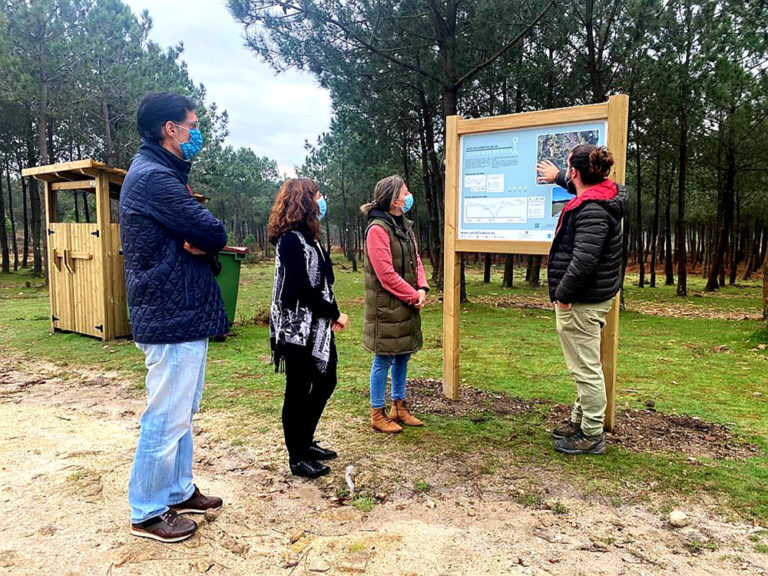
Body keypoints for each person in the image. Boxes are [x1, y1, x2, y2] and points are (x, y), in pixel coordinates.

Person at [120, 92, 227, 542]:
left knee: (182, 410)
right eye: (193, 125)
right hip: (169, 311)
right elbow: (212, 230)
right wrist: (204, 239)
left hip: (180, 310)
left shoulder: (162, 173)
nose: (196, 133)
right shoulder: (154, 178)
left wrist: (202, 242)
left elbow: (203, 236)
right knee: (166, 414)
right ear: (171, 129)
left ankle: (178, 489)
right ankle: (146, 509)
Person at [536, 145, 627, 455]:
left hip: (581, 301)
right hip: (592, 297)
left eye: (567, 169)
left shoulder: (590, 210)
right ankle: (580, 421)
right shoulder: (604, 197)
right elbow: (583, 190)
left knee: (586, 369)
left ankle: (591, 433)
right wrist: (559, 177)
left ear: (576, 172)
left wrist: (563, 296)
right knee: (583, 366)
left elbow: (584, 261)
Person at [268, 178, 350, 479]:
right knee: (297, 390)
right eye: (318, 195)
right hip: (295, 329)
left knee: (327, 380)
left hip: (316, 326)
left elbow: (323, 279)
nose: (322, 199)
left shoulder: (310, 237)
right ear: (304, 201)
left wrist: (329, 312)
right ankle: (296, 456)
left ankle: (306, 441)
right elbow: (301, 287)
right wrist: (334, 313)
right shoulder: (290, 240)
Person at [361, 175, 429, 433]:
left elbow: (417, 261)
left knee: (403, 355)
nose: (409, 195)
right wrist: (413, 295)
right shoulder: (378, 228)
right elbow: (385, 274)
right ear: (393, 198)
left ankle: (399, 407)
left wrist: (422, 287)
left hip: (407, 303)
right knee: (383, 359)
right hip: (386, 307)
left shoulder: (404, 225)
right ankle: (377, 413)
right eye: (405, 191)